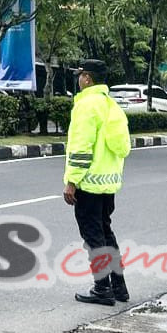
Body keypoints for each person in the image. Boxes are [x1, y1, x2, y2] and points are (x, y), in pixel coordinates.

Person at [63, 59, 132, 307]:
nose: (78, 78)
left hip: (88, 184)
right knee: (106, 232)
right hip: (108, 183)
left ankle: (102, 288)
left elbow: (81, 148)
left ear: (88, 78)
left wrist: (72, 181)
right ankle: (119, 287)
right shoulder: (110, 105)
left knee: (94, 237)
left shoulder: (86, 106)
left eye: (80, 74)